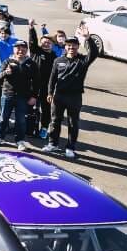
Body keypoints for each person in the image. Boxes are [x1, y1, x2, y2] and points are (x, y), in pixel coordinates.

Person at [43, 27, 98, 159]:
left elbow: (94, 53)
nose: (71, 47)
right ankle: (53, 144)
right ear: (65, 47)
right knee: (55, 121)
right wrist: (50, 93)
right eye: (68, 45)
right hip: (59, 96)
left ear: (78, 46)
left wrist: (88, 38)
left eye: (73, 45)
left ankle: (70, 148)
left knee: (73, 123)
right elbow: (52, 78)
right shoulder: (58, 61)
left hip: (74, 97)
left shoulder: (83, 61)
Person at [0, 40, 37, 151]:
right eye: (18, 48)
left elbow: (37, 82)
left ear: (26, 50)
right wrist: (6, 73)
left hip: (23, 96)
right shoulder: (7, 61)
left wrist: (34, 96)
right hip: (7, 94)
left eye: (23, 48)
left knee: (21, 120)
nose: (20, 50)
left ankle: (20, 141)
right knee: (3, 117)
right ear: (14, 49)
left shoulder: (31, 63)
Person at [27, 19, 57, 140]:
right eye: (43, 42)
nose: (46, 44)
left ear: (52, 44)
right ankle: (29, 127)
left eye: (48, 42)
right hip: (32, 86)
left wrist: (53, 90)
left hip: (47, 88)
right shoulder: (36, 52)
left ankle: (44, 128)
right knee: (30, 107)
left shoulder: (55, 57)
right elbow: (32, 41)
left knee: (46, 109)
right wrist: (31, 28)